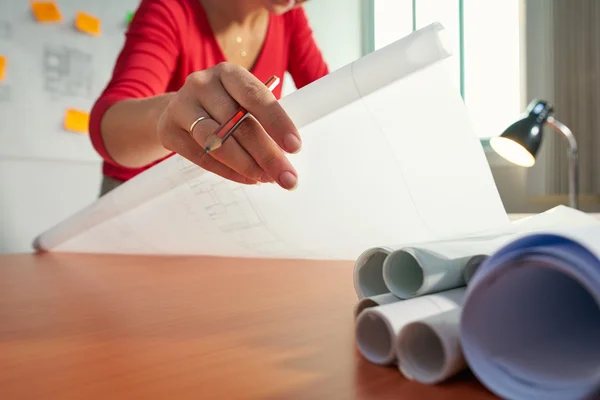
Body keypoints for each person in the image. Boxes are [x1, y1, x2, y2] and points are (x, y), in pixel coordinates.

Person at [89, 0, 329, 196]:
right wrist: (169, 113)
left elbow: (331, 98)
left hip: (220, 202)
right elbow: (110, 128)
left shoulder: (290, 18)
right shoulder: (170, 8)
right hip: (136, 202)